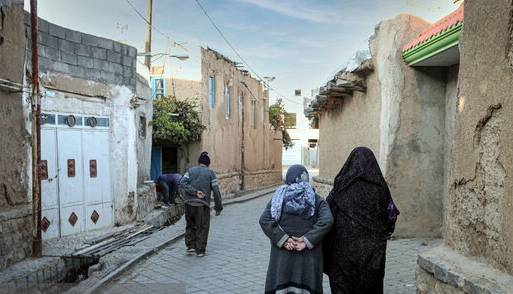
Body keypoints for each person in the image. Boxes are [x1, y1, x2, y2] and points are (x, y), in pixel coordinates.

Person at [323, 147, 399, 294]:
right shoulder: (381, 189)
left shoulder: (342, 187)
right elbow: (391, 216)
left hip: (343, 253)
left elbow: (327, 213)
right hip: (372, 254)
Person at [260, 164, 334, 294]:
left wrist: (284, 239)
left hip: (282, 259)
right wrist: (306, 240)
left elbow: (264, 219)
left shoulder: (278, 198)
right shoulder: (316, 199)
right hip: (308, 260)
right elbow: (327, 220)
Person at [179, 152, 223, 257]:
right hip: (202, 205)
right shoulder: (210, 173)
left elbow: (182, 183)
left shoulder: (190, 171)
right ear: (208, 164)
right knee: (202, 227)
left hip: (189, 204)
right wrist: (218, 207)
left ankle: (190, 247)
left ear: (199, 162)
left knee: (190, 225)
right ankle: (200, 250)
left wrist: (193, 192)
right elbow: (216, 191)